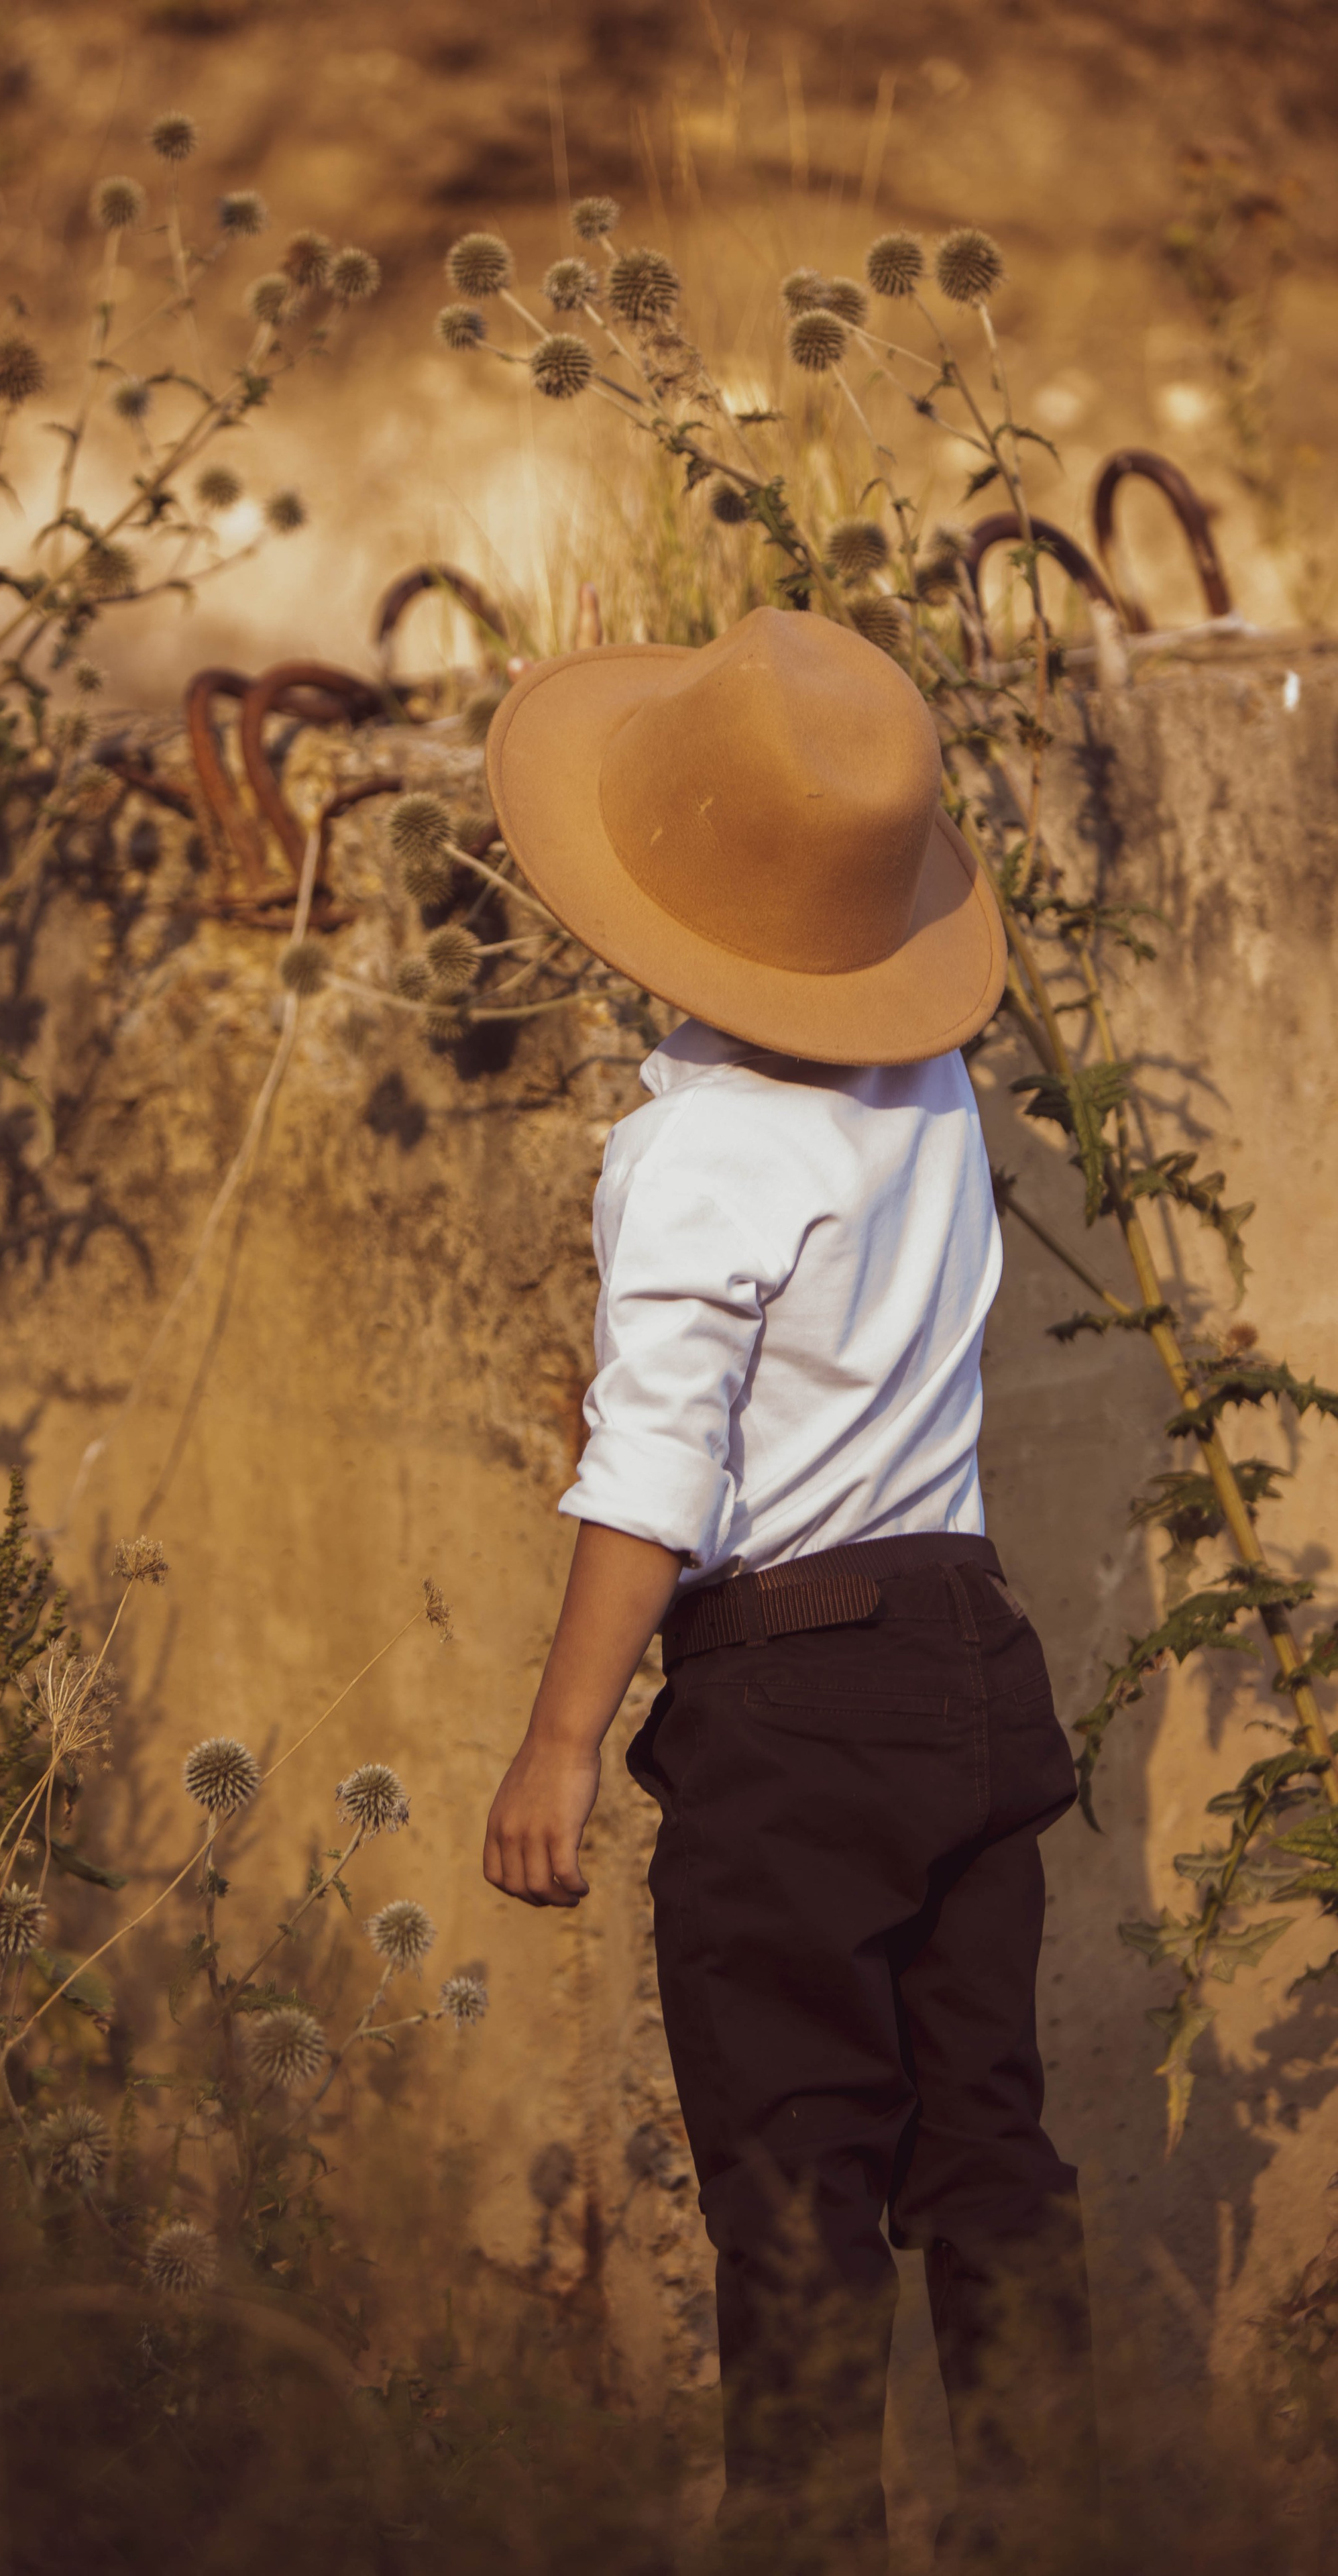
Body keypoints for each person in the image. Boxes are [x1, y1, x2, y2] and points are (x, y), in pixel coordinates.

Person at [479, 608, 1095, 2565]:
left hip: (799, 1708)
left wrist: (562, 1743)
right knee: (989, 2153)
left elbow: (659, 1471)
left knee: (797, 2185)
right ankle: (1050, 2528)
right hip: (970, 1668)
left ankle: (810, 2539)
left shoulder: (698, 1154)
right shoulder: (924, 1091)